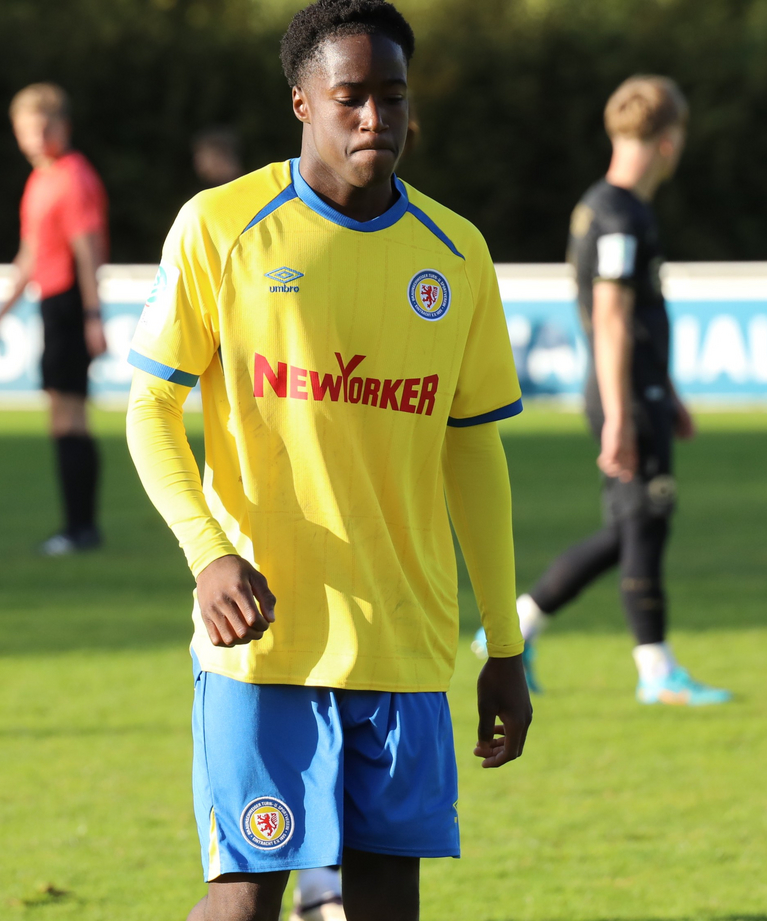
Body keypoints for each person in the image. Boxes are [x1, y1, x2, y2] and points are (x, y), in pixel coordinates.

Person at [125, 3, 532, 919]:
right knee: (244, 900)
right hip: (265, 639)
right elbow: (150, 408)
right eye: (351, 97)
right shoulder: (223, 226)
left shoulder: (457, 252)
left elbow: (473, 446)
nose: (375, 118)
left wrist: (503, 643)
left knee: (389, 901)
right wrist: (208, 552)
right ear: (302, 102)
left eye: (393, 95)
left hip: (406, 640)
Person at [474, 76, 730, 706]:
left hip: (637, 389)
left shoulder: (601, 205)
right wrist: (621, 412)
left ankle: (518, 625)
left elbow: (628, 318)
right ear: (669, 141)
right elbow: (612, 316)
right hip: (625, 394)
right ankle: (655, 670)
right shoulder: (621, 215)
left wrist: (667, 391)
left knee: (629, 528)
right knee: (646, 524)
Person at [0, 83, 109, 555]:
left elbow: (86, 250)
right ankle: (78, 527)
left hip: (70, 303)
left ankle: (80, 529)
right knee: (61, 415)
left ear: (62, 127)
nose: (35, 138)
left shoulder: (73, 177)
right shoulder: (41, 179)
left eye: (43, 127)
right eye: (26, 130)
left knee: (70, 415)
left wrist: (93, 315)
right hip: (52, 303)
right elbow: (30, 255)